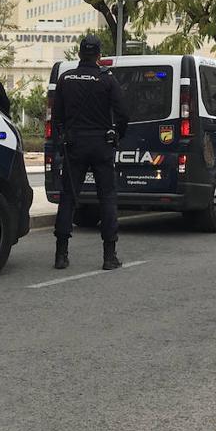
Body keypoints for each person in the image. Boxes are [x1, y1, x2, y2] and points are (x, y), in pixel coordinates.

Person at [51, 35, 129, 270]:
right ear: (99, 56)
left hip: (74, 145)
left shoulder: (66, 79)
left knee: (68, 198)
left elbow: (57, 117)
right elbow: (123, 113)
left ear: (79, 54)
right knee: (107, 197)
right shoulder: (107, 79)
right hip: (101, 144)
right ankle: (109, 256)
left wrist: (61, 140)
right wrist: (117, 135)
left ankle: (61, 255)